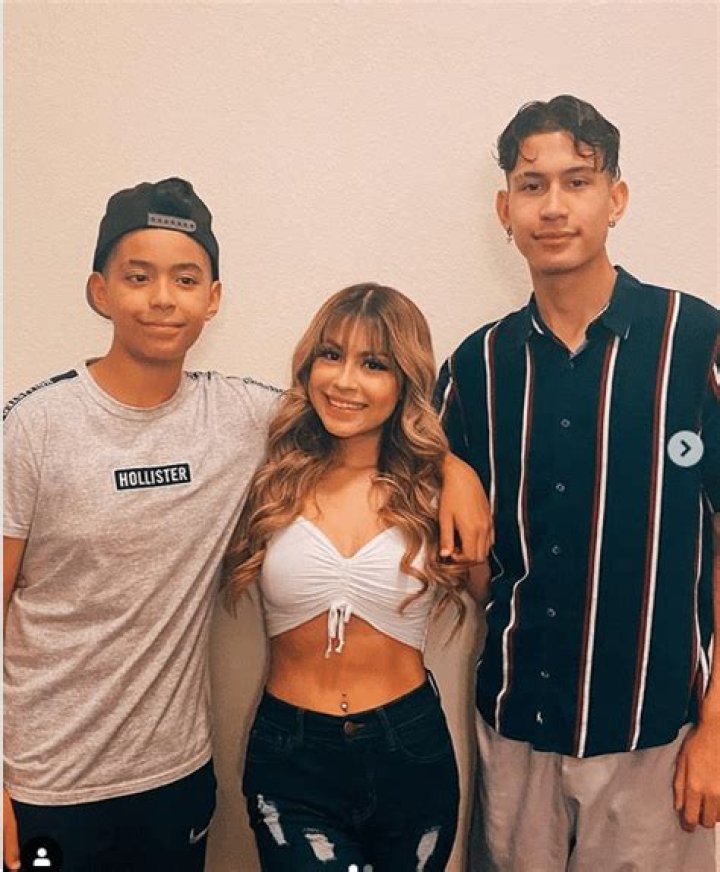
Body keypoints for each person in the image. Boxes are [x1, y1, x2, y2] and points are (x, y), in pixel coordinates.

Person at [3, 178, 490, 871]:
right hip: (48, 777)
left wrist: (452, 467)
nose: (163, 298)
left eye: (185, 279)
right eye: (139, 277)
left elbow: (363, 422)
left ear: (213, 298)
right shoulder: (35, 427)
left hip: (178, 773)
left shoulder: (238, 418)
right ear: (100, 290)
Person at [436, 95, 719, 871]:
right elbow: (408, 473)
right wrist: (448, 465)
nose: (553, 206)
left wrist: (716, 730)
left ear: (615, 198)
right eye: (532, 185)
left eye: (578, 181)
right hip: (515, 731)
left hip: (657, 739)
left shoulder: (695, 342)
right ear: (505, 209)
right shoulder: (476, 367)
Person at [224, 283, 467, 871]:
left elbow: (501, 599)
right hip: (292, 757)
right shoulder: (271, 475)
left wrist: (456, 470)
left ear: (404, 380)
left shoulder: (437, 493)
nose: (345, 381)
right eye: (331, 355)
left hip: (410, 751)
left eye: (374, 364)